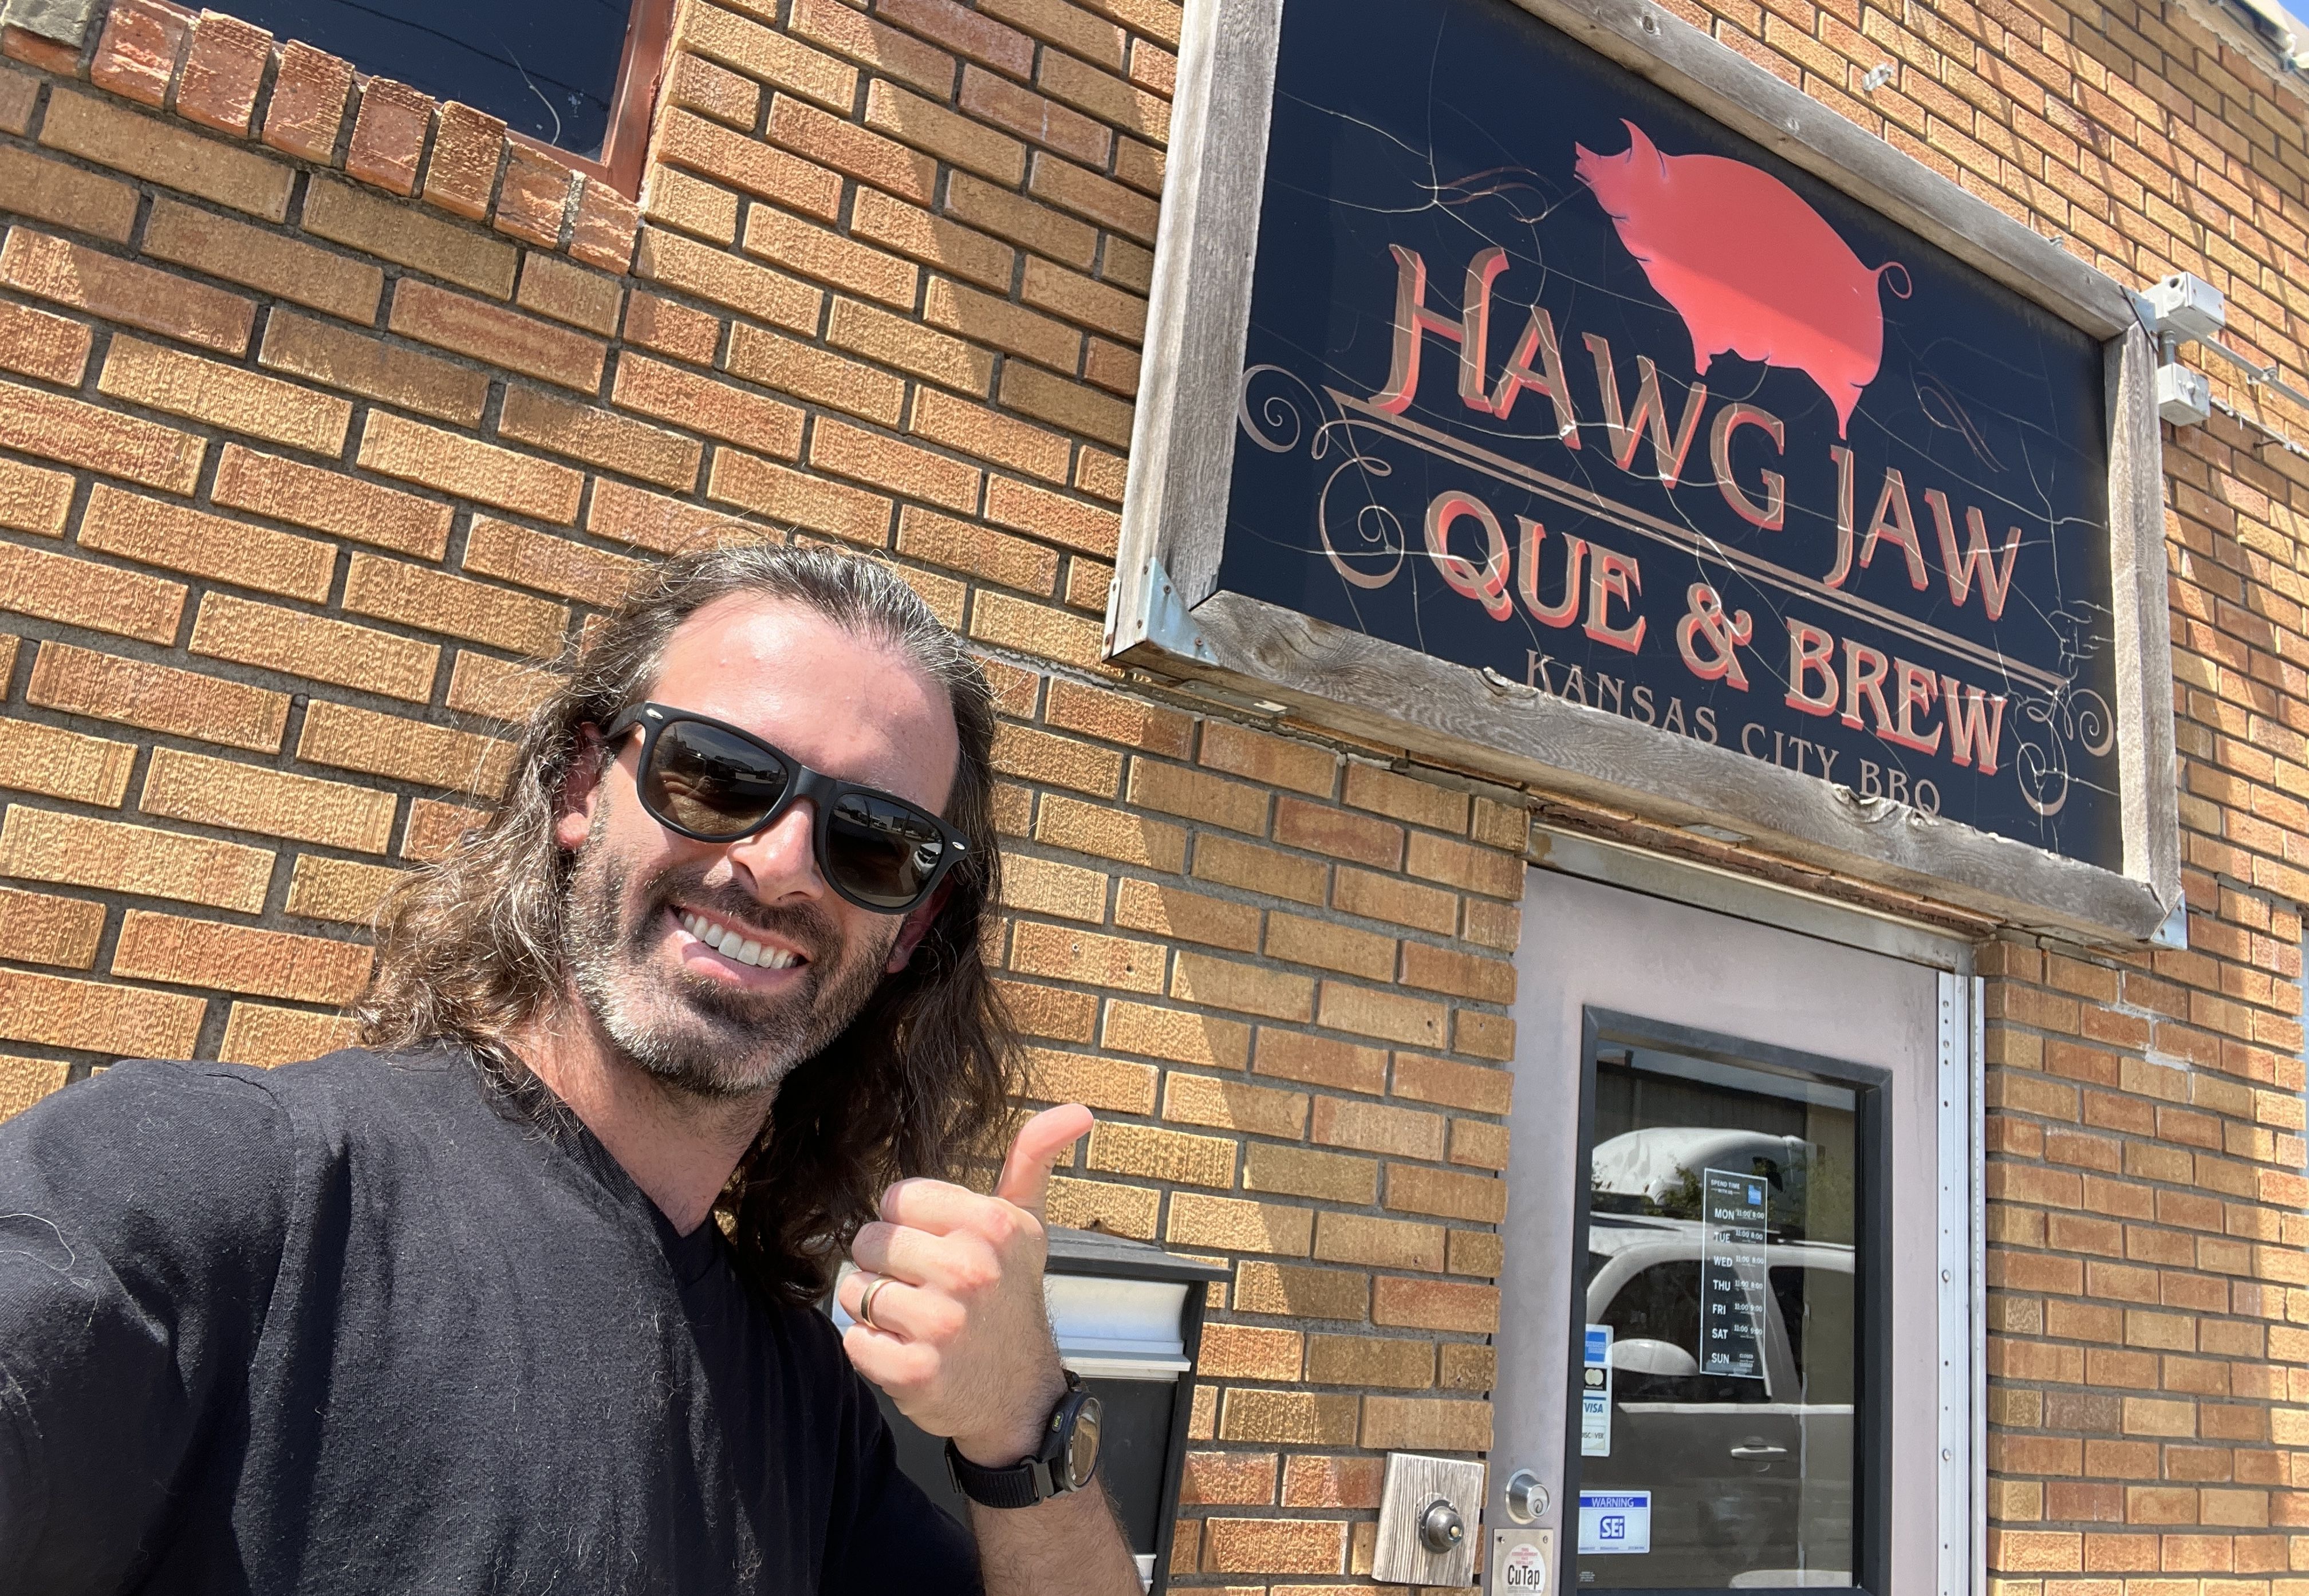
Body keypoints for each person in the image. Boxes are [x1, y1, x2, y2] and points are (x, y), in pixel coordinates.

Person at [0, 545, 1142, 1594]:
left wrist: (1019, 1418)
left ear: (910, 924)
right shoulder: (207, 1191)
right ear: (581, 788)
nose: (780, 860)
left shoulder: (804, 1402)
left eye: (876, 839)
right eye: (718, 772)